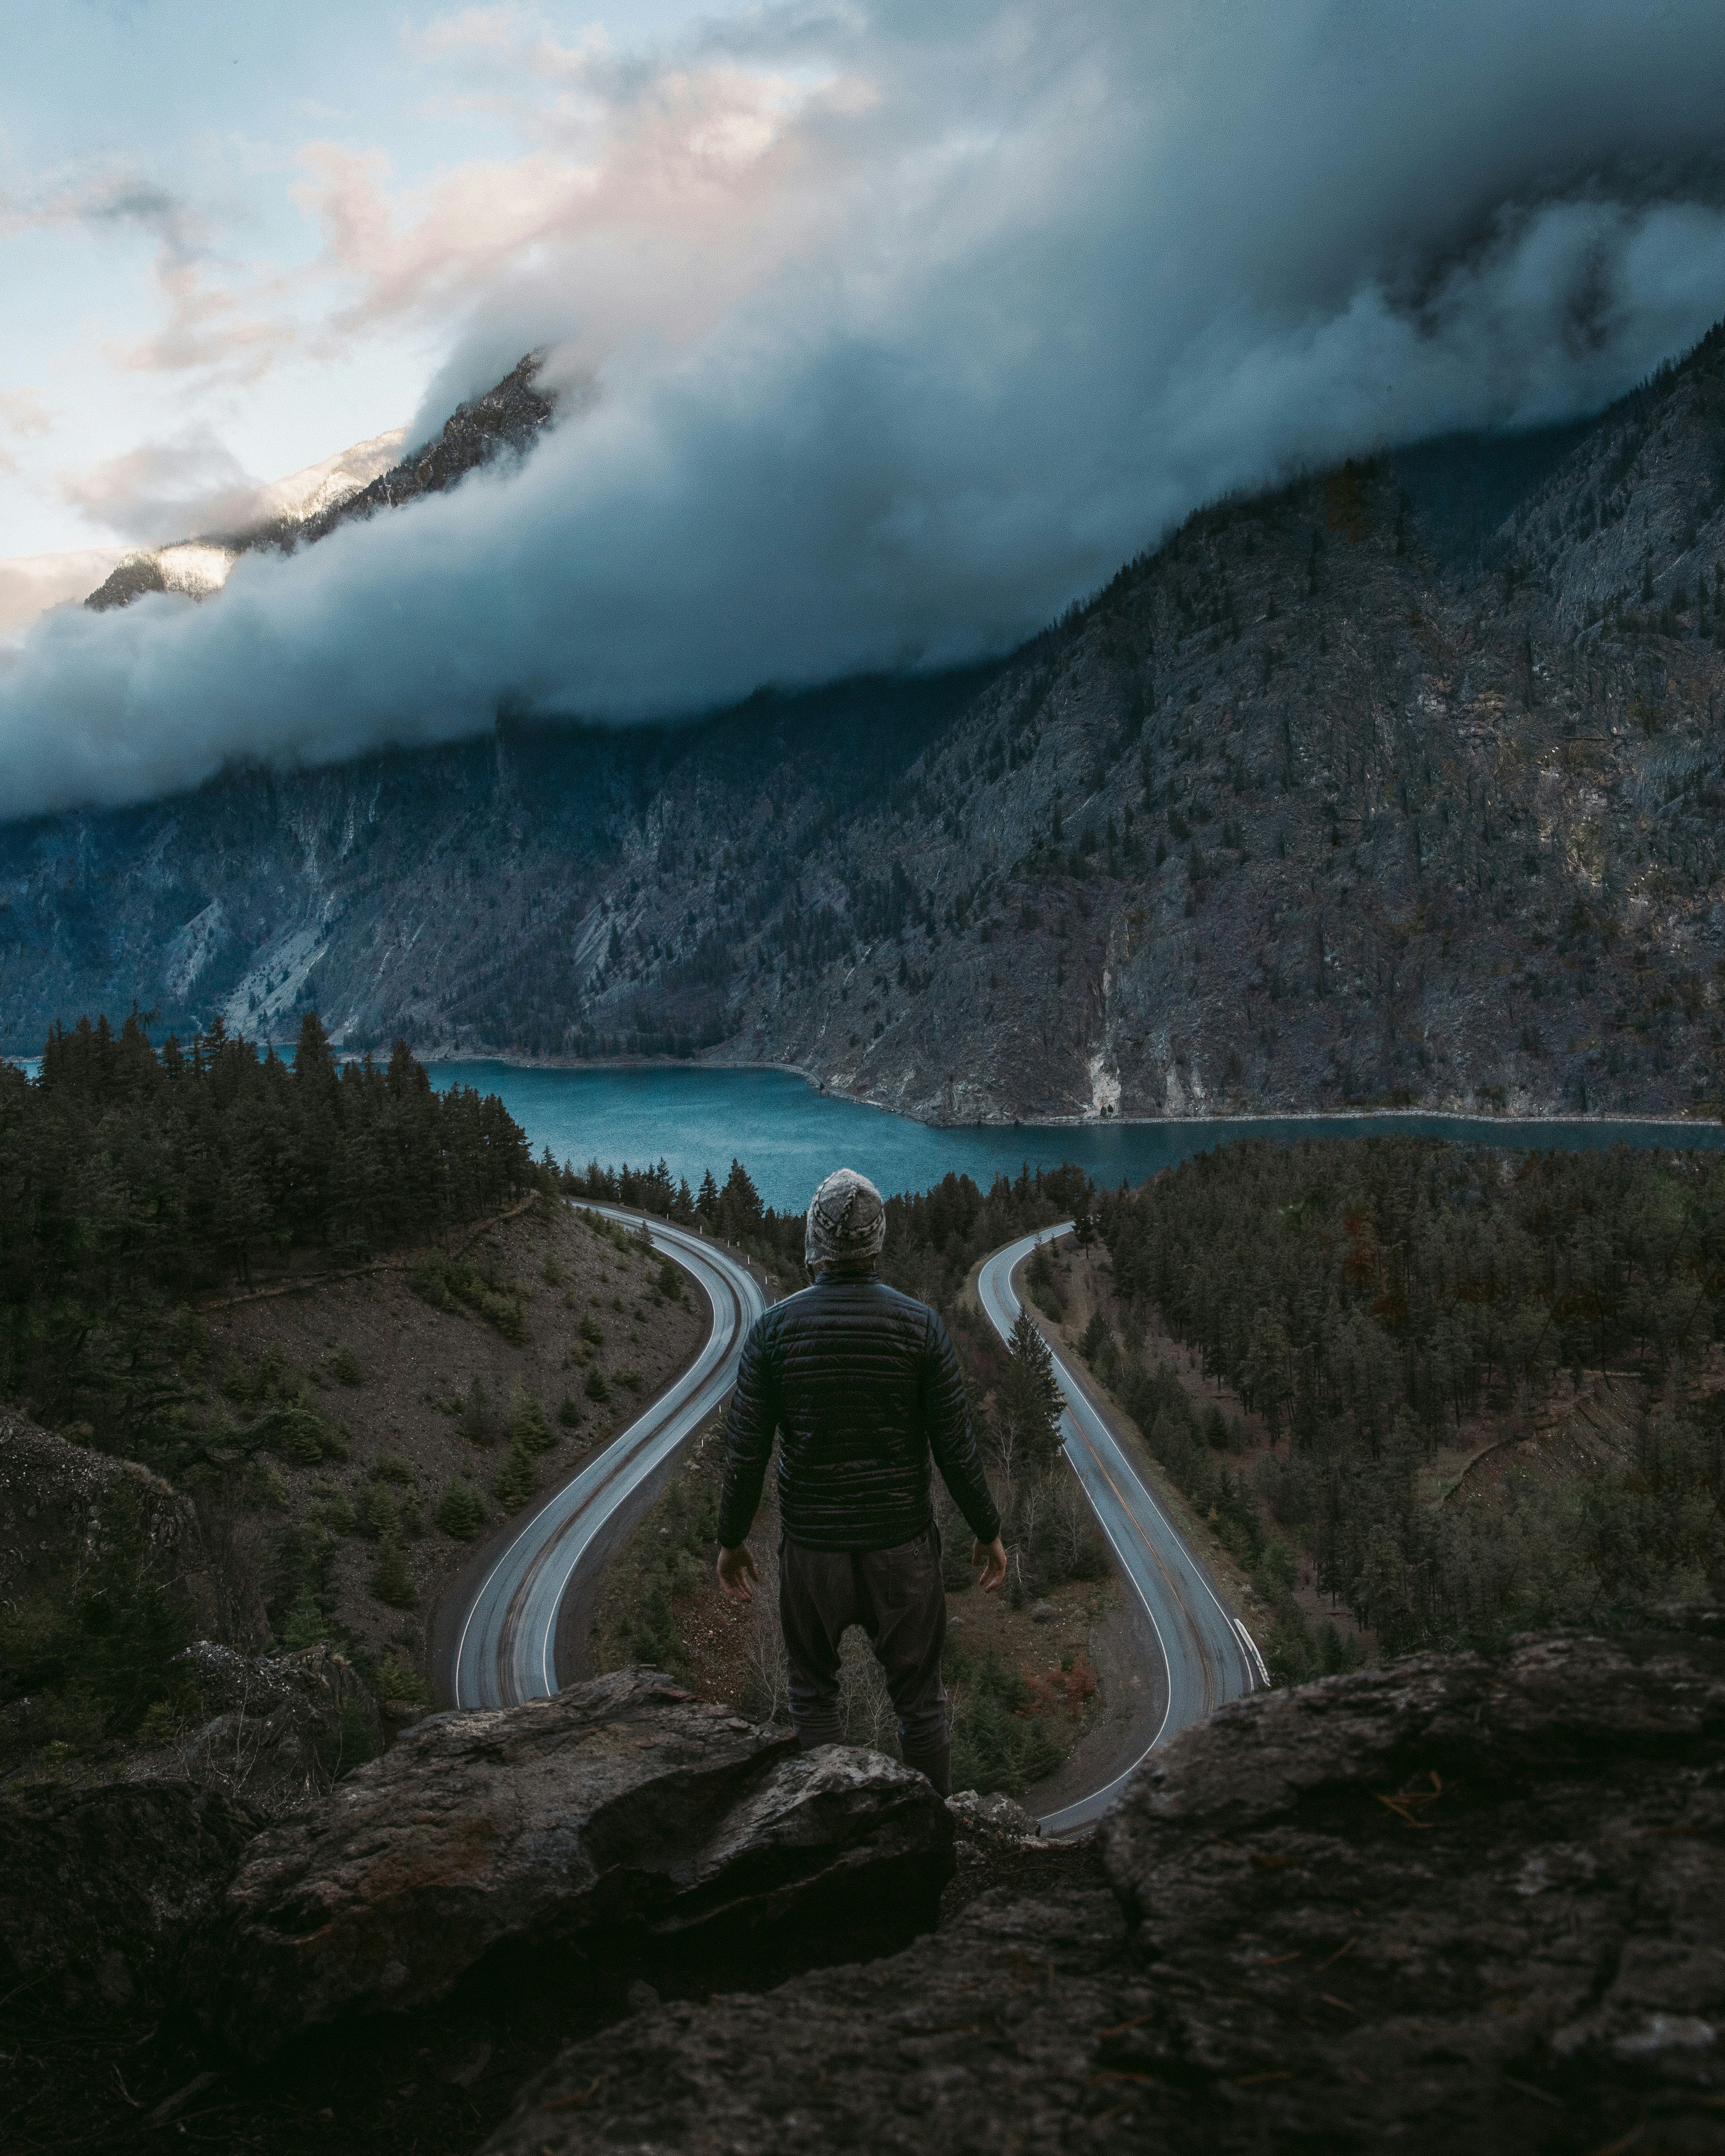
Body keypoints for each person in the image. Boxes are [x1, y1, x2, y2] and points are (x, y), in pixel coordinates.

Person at [714, 1166, 1008, 1797]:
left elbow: (746, 1452)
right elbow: (954, 1447)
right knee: (919, 1704)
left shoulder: (773, 1331)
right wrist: (987, 1530)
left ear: (812, 1244)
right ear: (878, 1241)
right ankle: (932, 1841)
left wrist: (732, 1538)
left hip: (814, 1548)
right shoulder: (919, 1326)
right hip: (900, 1548)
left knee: (814, 1694)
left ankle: (828, 1835)